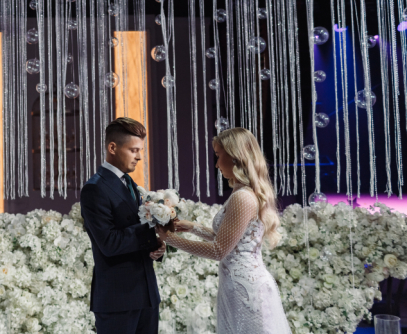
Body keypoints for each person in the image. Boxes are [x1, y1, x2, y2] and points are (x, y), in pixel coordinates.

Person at [156, 127, 292, 334]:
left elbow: (219, 250)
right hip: (237, 284)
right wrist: (193, 228)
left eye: (219, 156)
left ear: (235, 157)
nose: (217, 164)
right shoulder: (242, 193)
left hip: (245, 288)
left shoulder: (242, 197)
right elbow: (231, 241)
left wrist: (169, 238)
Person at [80, 117, 166, 334]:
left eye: (140, 150)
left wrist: (156, 245)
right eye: (133, 150)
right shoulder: (95, 188)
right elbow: (109, 243)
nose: (139, 157)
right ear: (112, 148)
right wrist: (151, 230)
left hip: (146, 296)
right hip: (117, 300)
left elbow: (136, 232)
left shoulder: (129, 183)